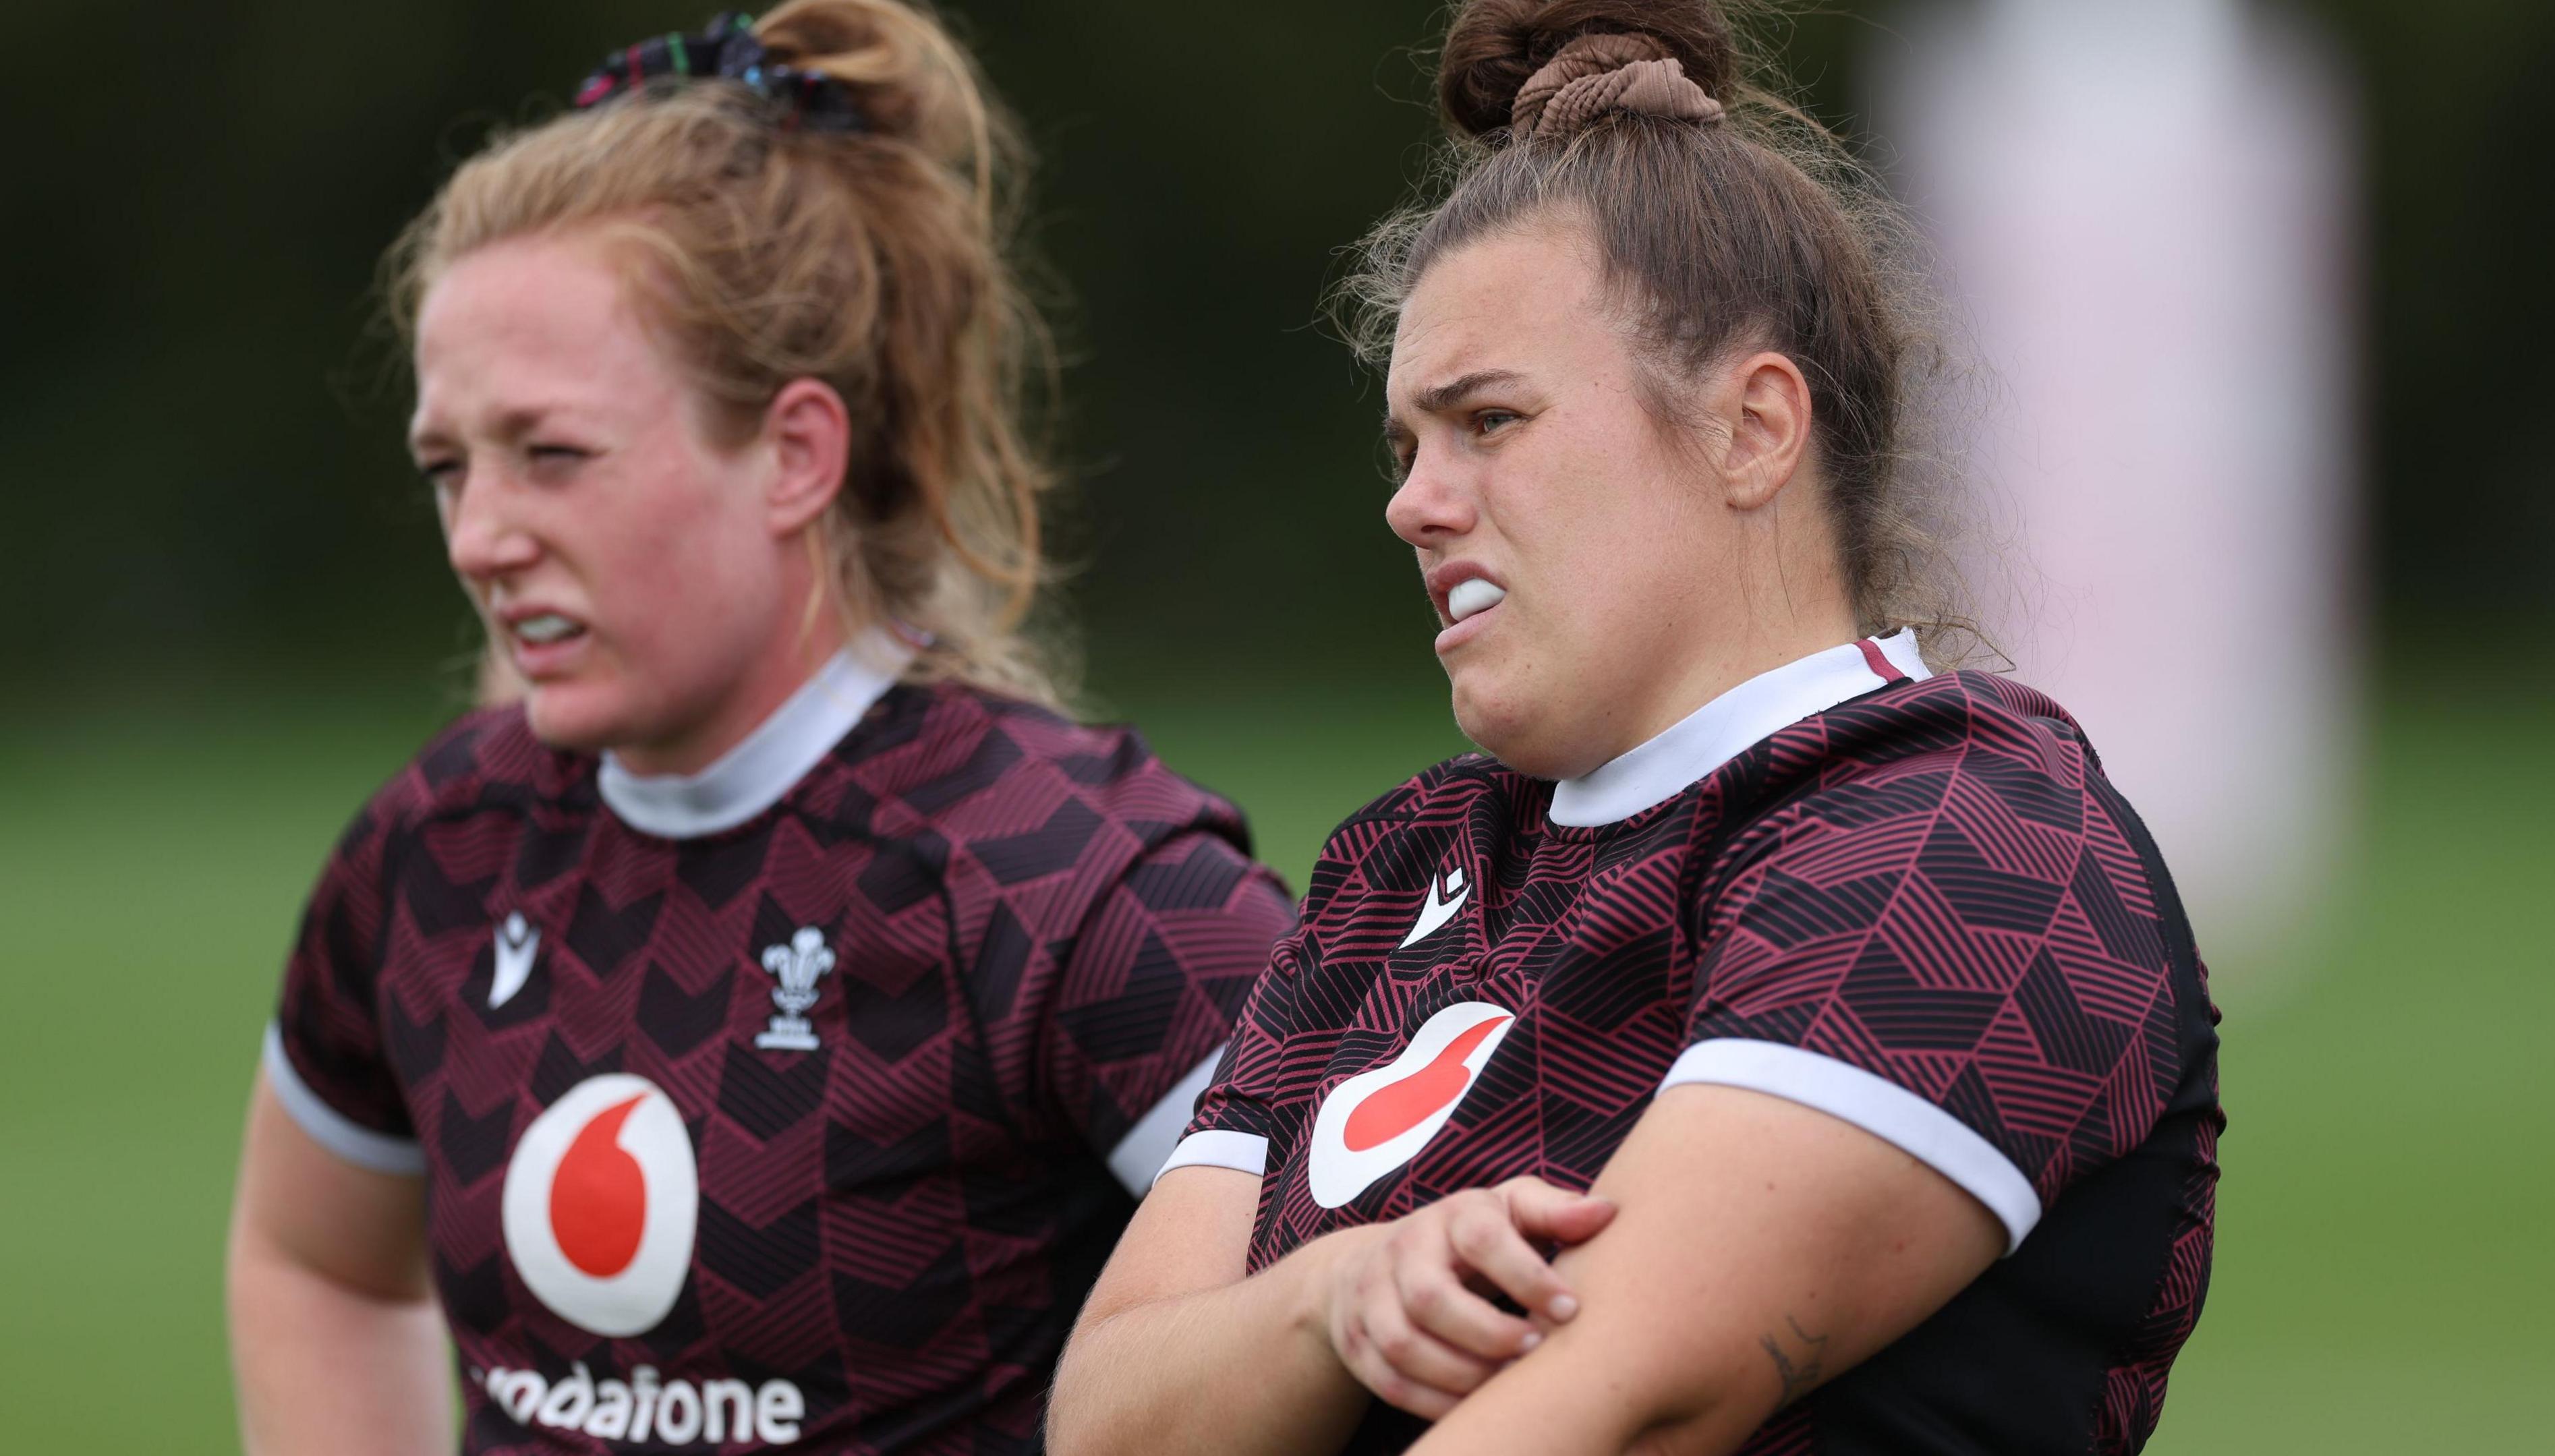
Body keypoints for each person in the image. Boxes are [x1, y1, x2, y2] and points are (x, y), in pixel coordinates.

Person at [1049, 2, 2222, 1453]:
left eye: (1490, 421)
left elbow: (1615, 1405)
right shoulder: (1399, 866)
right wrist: (1339, 1297)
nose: (1413, 501)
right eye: (1407, 443)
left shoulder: (1970, 840)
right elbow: (1107, 1420)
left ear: (1752, 430)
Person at [223, 7, 1294, 1453]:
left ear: (795, 453)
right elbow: (316, 1264)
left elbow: (1379, 1339)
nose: (480, 537)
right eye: (446, 465)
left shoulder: (1080, 893)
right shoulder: (432, 857)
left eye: (552, 455)